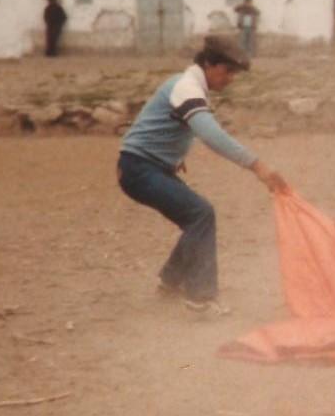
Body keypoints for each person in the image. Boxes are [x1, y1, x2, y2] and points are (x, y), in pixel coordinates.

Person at [117, 36, 287, 312]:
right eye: (227, 70)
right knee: (200, 214)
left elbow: (156, 125)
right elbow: (211, 135)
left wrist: (171, 156)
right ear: (208, 64)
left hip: (143, 166)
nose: (230, 78)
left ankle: (170, 282)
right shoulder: (186, 88)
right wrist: (257, 166)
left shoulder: (185, 84)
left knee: (195, 216)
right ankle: (201, 298)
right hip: (139, 169)